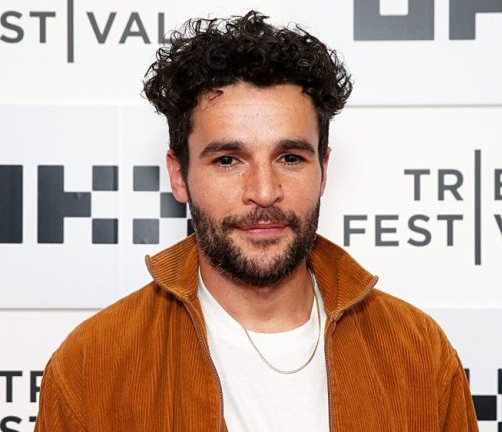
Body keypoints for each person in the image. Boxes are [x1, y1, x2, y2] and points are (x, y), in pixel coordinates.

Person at [35, 10, 478, 431]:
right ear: (179, 175)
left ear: (323, 169)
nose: (264, 191)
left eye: (290, 157)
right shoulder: (95, 364)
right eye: (228, 159)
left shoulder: (417, 353)